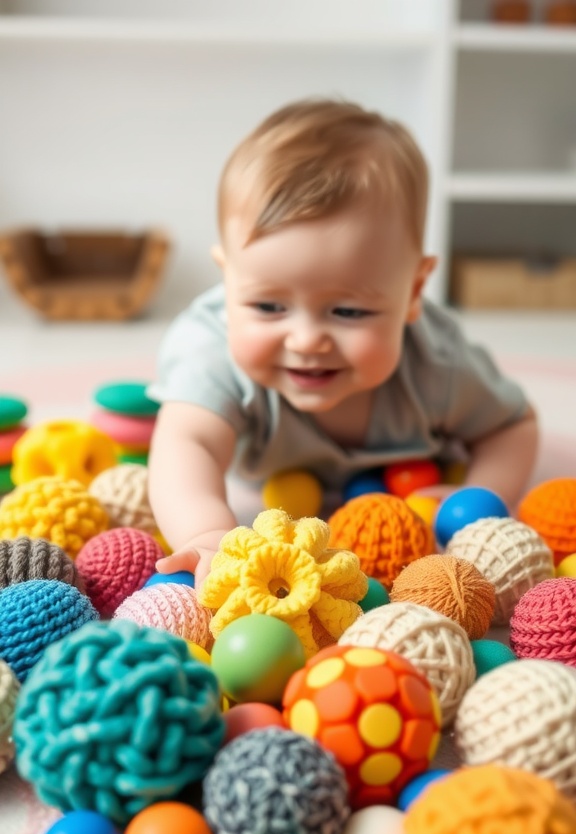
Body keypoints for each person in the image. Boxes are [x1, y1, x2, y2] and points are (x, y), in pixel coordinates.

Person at [147, 97, 538, 586]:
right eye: (268, 306)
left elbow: (513, 425)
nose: (307, 340)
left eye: (349, 311)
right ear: (228, 282)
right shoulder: (214, 354)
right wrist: (206, 533)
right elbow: (187, 444)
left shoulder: (437, 366)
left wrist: (479, 497)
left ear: (413, 291)